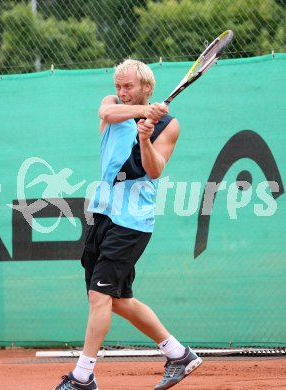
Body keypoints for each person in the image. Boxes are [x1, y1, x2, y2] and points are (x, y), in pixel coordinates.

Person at [54, 59, 202, 390]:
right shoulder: (112, 106)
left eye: (128, 86)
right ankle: (178, 354)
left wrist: (147, 137)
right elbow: (107, 114)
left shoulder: (168, 125)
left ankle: (82, 376)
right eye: (118, 85)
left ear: (146, 87)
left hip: (132, 222)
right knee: (116, 300)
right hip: (102, 214)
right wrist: (143, 112)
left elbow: (154, 170)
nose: (121, 92)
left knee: (99, 297)